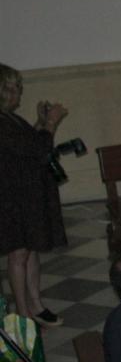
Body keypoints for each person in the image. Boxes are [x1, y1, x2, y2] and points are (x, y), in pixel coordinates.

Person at [0, 64, 69, 327]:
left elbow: (29, 144)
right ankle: (22, 313)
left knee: (31, 251)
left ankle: (36, 305)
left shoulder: (10, 118)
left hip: (26, 194)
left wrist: (40, 122)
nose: (18, 92)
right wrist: (50, 123)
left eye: (19, 87)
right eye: (13, 87)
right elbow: (38, 149)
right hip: (12, 197)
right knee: (19, 253)